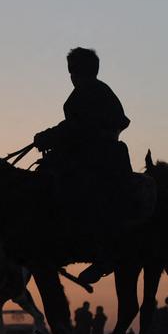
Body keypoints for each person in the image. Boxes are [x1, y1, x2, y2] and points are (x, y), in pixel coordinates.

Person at [33, 48, 134, 282]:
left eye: (72, 71)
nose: (71, 76)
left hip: (92, 159)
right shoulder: (100, 92)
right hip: (99, 155)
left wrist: (47, 136)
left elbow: (76, 127)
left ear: (77, 71)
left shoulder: (87, 93)